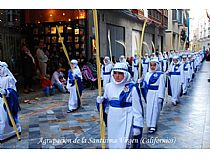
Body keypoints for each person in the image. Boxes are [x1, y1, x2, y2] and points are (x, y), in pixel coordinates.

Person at [96, 62, 144, 149]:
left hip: (127, 117)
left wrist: (137, 125)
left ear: (125, 74)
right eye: (115, 73)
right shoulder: (108, 86)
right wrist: (100, 101)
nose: (117, 76)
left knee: (125, 143)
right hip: (112, 119)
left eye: (120, 73)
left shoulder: (132, 88)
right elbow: (105, 102)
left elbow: (137, 109)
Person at [138, 58, 165, 134]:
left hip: (156, 93)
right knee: (149, 109)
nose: (152, 67)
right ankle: (149, 123)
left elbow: (162, 87)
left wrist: (160, 97)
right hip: (149, 94)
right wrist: (141, 83)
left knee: (155, 109)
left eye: (154, 65)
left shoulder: (161, 75)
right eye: (151, 65)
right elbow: (145, 85)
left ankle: (153, 125)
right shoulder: (147, 74)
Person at [0, 61, 21, 141]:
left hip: (7, 101)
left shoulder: (9, 79)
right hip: (0, 100)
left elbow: (13, 91)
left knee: (5, 117)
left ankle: (11, 131)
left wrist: (6, 92)